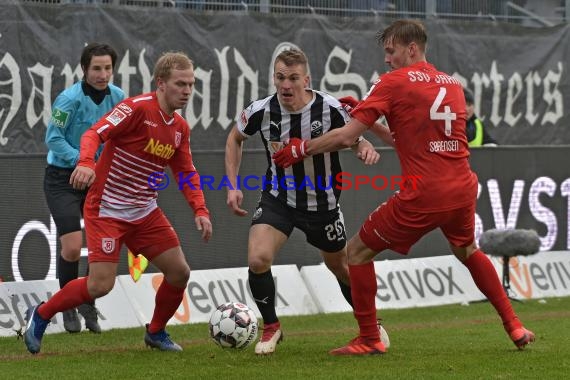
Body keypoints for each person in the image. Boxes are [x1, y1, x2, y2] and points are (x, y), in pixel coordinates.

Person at [273, 20, 534, 355]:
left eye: (391, 51)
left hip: (424, 193)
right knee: (468, 250)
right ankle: (514, 325)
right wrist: (371, 120)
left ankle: (369, 338)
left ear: (411, 49)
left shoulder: (393, 82)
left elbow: (347, 136)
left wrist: (300, 148)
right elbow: (407, 140)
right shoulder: (451, 85)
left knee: (355, 253)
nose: (387, 59)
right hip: (463, 187)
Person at [24, 51, 212, 354]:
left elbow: (186, 171)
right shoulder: (135, 108)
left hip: (145, 212)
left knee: (180, 272)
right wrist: (85, 162)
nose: (188, 91)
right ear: (161, 83)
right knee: (100, 285)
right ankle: (42, 314)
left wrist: (200, 209)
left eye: (191, 84)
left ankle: (156, 332)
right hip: (107, 209)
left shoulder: (179, 128)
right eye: (181, 84)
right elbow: (93, 134)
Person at [225, 48, 388, 355]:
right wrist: (232, 185)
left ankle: (370, 326)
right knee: (258, 259)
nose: (286, 85)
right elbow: (235, 138)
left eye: (293, 78)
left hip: (322, 206)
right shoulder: (261, 110)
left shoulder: (329, 107)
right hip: (278, 199)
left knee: (339, 266)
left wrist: (364, 147)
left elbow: (355, 135)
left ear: (307, 79)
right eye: (280, 78)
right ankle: (271, 327)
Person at [44, 42, 124, 334]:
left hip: (98, 181)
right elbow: (53, 139)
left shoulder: (118, 98)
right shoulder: (68, 100)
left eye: (107, 68)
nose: (103, 74)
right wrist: (83, 161)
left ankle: (88, 303)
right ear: (84, 70)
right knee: (73, 247)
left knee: (103, 246)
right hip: (62, 179)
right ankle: (66, 305)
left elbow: (123, 137)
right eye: (97, 68)